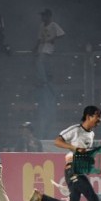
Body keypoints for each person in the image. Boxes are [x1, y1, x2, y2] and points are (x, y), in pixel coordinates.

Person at [26, 105, 101, 201]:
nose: (100, 119)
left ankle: (40, 197)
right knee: (94, 199)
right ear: (88, 116)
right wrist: (74, 148)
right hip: (72, 169)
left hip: (78, 170)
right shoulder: (75, 130)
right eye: (97, 116)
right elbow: (57, 141)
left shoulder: (91, 134)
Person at [33, 8, 65, 139]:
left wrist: (53, 39)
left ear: (49, 16)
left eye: (44, 15)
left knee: (42, 62)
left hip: (49, 49)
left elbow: (62, 34)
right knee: (39, 62)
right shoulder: (42, 26)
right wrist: (35, 48)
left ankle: (45, 80)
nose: (42, 18)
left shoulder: (53, 25)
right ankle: (44, 79)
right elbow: (39, 38)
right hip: (42, 48)